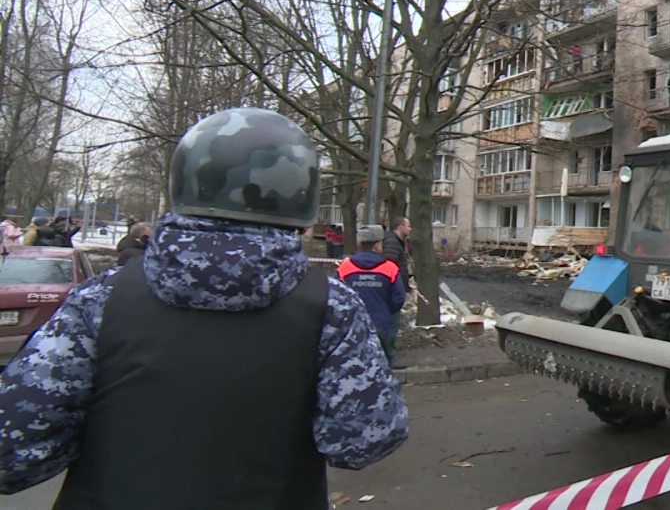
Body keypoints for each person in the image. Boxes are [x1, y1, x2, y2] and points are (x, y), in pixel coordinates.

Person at [0, 107, 408, 506]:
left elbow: (12, 452)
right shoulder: (333, 309)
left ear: (186, 181)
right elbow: (366, 440)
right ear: (300, 195)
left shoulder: (99, 300)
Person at [337, 225, 406, 367]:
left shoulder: (345, 266)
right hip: (381, 322)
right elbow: (398, 298)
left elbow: (337, 296)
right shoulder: (390, 267)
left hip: (352, 324)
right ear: (377, 245)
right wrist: (387, 312)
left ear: (360, 244)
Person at [383, 217, 414, 369]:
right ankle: (389, 357)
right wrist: (397, 286)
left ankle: (388, 354)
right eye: (408, 226)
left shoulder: (398, 242)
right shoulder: (392, 242)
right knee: (391, 323)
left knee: (391, 323)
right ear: (400, 227)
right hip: (391, 290)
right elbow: (389, 266)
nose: (410, 229)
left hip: (396, 287)